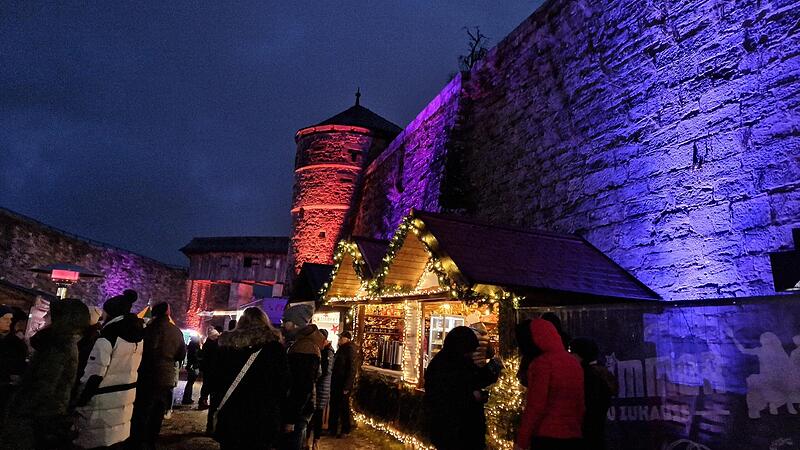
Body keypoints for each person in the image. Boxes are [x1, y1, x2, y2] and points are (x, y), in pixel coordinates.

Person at [0, 299, 89, 450]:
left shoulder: (58, 346)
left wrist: (20, 409)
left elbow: (44, 385)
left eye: (49, 315)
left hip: (33, 420)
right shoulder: (63, 344)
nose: (44, 318)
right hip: (40, 417)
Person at [74, 289, 145, 449]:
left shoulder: (107, 338)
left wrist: (80, 400)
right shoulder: (139, 338)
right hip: (124, 400)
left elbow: (94, 375)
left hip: (101, 404)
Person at [214, 307, 289, 450]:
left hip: (232, 414)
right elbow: (283, 383)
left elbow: (216, 378)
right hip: (262, 416)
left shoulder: (227, 346)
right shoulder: (274, 349)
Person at [423, 326, 502, 450]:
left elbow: (475, 379)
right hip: (455, 431)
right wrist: (473, 396)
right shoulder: (444, 366)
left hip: (463, 430)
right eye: (469, 350)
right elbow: (446, 396)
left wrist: (491, 370)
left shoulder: (457, 360)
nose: (471, 354)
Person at [515, 319, 584, 450]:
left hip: (547, 434)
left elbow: (535, 405)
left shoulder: (542, 364)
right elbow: (580, 403)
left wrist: (521, 441)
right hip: (573, 433)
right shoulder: (573, 362)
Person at [130, 302, 187, 449]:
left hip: (146, 373)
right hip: (166, 376)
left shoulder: (148, 329)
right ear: (168, 313)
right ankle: (151, 440)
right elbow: (181, 354)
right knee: (158, 411)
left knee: (142, 409)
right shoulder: (175, 331)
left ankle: (138, 440)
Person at [281, 304, 325, 450]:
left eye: (285, 321)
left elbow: (302, 386)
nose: (283, 324)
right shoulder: (303, 343)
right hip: (301, 408)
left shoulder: (305, 347)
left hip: (298, 411)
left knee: (292, 443)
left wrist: (290, 418)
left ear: (295, 324)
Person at [569, 337, 617, 450]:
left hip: (586, 434)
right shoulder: (601, 373)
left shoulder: (587, 376)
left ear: (580, 354)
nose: (569, 355)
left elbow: (588, 407)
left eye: (571, 351)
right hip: (597, 434)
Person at [328, 330, 359, 438]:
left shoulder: (350, 349)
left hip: (342, 383)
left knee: (343, 407)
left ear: (347, 339)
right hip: (337, 382)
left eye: (341, 338)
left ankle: (345, 429)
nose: (339, 339)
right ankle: (332, 429)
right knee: (335, 405)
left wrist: (347, 386)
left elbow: (352, 369)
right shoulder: (342, 349)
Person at [0, 304, 27, 419]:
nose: (9, 322)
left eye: (10, 319)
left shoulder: (16, 343)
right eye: (5, 319)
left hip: (4, 388)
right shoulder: (14, 343)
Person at [311, 329, 334, 448]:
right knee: (314, 413)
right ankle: (312, 440)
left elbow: (325, 371)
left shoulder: (327, 352)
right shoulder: (322, 350)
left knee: (318, 413)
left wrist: (316, 377)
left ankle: (316, 440)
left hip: (322, 387)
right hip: (320, 386)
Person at [198, 326, 222, 411]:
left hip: (207, 368)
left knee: (206, 385)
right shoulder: (215, 345)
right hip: (212, 368)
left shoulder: (207, 343)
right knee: (209, 386)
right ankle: (204, 402)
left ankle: (203, 401)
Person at [182, 335, 201, 405]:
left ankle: (187, 398)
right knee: (190, 382)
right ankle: (187, 399)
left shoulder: (191, 346)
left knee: (190, 382)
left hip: (191, 366)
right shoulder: (195, 347)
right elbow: (196, 357)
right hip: (193, 366)